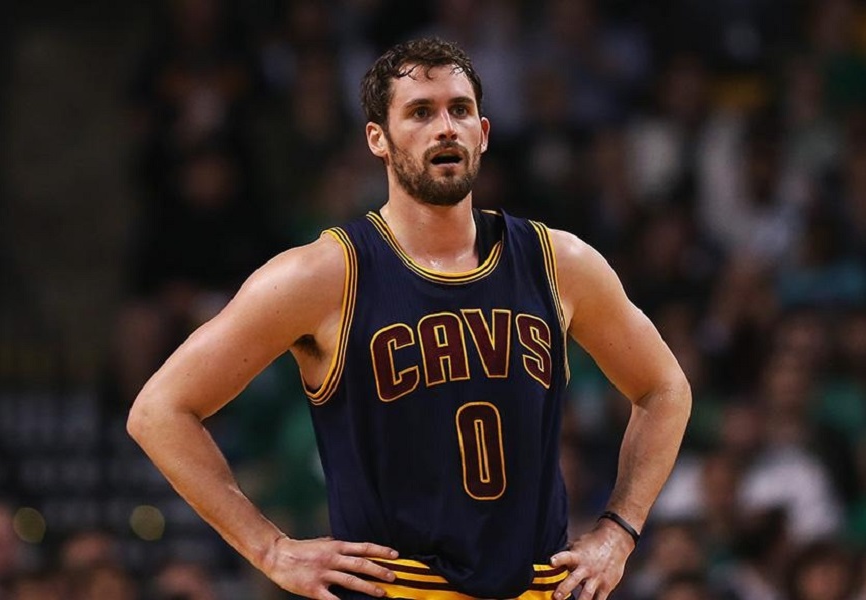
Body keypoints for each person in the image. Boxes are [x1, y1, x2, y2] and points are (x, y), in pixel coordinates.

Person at [127, 37, 691, 600]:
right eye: (421, 112)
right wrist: (269, 548)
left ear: (483, 133)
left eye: (460, 110)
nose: (445, 128)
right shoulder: (324, 274)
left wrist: (619, 530)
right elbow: (159, 411)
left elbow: (665, 388)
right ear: (378, 138)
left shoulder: (559, 261)